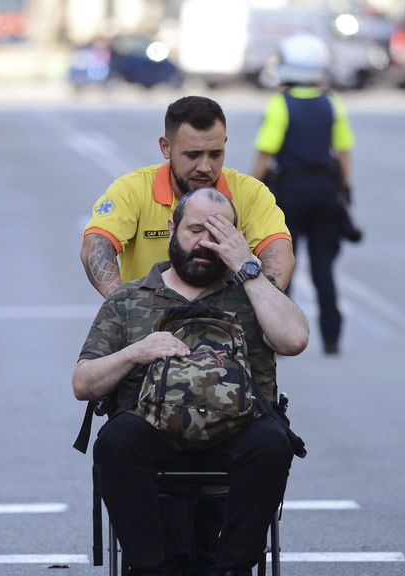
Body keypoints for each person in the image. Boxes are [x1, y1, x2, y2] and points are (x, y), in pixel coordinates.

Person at [74, 187, 309, 576]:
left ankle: (231, 569)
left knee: (271, 443)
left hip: (236, 427)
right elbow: (82, 382)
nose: (205, 243)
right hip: (153, 428)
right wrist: (136, 351)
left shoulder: (251, 291)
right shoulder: (130, 298)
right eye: (196, 230)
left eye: (219, 233)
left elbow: (295, 339)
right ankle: (152, 569)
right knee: (115, 442)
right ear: (172, 229)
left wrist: (247, 267)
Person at [81, 96, 295, 298]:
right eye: (193, 155)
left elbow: (279, 253)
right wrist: (126, 308)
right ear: (166, 147)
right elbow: (96, 246)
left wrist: (261, 306)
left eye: (215, 154)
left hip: (226, 328)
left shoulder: (251, 193)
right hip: (149, 330)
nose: (205, 167)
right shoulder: (131, 190)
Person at [251, 33, 357, 355]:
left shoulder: (281, 103)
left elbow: (265, 151)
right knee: (324, 268)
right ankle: (332, 336)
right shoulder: (331, 102)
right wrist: (345, 189)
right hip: (324, 192)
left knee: (284, 263)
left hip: (289, 194)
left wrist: (251, 191)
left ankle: (282, 333)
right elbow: (343, 151)